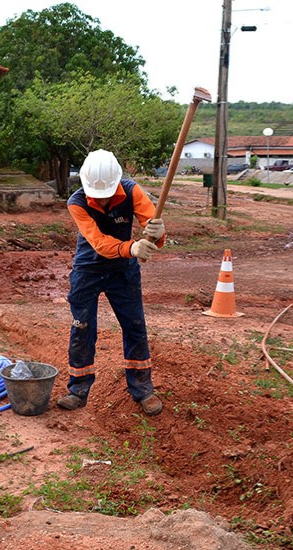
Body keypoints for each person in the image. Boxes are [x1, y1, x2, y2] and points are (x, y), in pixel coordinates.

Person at [60, 149, 167, 416]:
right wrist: (132, 248)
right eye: (96, 193)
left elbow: (152, 226)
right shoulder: (77, 202)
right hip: (88, 268)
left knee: (134, 326)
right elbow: (97, 243)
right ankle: (78, 390)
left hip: (123, 271)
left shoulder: (131, 192)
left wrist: (159, 233)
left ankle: (143, 390)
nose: (101, 197)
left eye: (106, 192)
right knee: (82, 328)